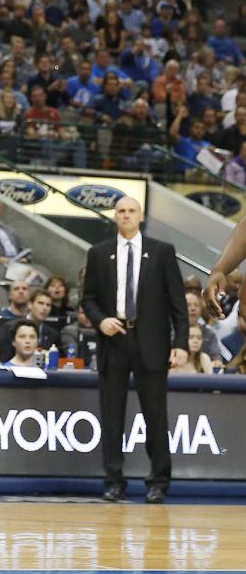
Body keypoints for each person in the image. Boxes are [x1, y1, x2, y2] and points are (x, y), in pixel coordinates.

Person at [82, 195, 188, 504]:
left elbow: (178, 304)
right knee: (112, 415)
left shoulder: (162, 252)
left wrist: (180, 343)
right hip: (113, 340)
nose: (126, 215)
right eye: (120, 211)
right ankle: (114, 481)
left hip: (152, 341)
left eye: (131, 211)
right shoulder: (98, 253)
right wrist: (100, 321)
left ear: (140, 216)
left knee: (155, 416)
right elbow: (87, 298)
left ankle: (158, 481)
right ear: (114, 217)